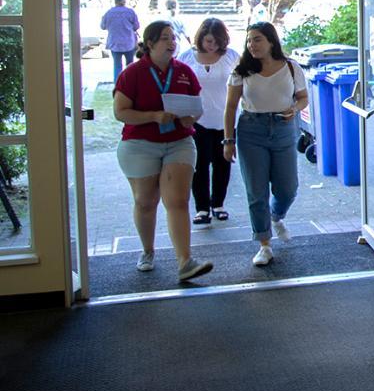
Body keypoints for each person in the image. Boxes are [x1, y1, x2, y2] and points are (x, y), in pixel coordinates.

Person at [113, 20, 213, 282]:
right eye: (165, 38)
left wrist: (191, 118)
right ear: (150, 43)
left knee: (177, 200)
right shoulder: (132, 73)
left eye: (173, 38)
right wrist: (154, 116)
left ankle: (185, 261)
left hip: (179, 141)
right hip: (139, 144)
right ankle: (147, 251)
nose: (172, 43)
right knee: (146, 201)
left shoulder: (184, 71)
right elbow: (120, 112)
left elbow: (197, 107)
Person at [223, 22, 308, 266]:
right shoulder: (242, 71)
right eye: (249, 40)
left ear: (271, 41)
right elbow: (230, 107)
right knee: (256, 191)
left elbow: (303, 98)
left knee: (287, 188)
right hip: (251, 130)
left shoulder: (291, 67)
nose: (252, 45)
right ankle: (264, 244)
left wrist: (295, 109)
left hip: (283, 128)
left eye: (257, 39)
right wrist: (228, 140)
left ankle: (276, 215)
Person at [178, 18, 240, 225]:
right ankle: (202, 208)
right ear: (200, 38)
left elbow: (245, 80)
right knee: (199, 164)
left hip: (226, 119)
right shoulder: (187, 57)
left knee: (223, 162)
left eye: (216, 41)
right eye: (208, 41)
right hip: (197, 120)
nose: (211, 45)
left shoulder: (231, 56)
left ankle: (218, 204)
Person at [100, 0, 140, 83]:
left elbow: (102, 26)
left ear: (115, 1)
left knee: (117, 65)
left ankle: (118, 84)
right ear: (123, 1)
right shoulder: (130, 12)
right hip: (129, 43)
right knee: (130, 65)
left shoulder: (108, 13)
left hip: (114, 43)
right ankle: (130, 83)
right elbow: (136, 26)